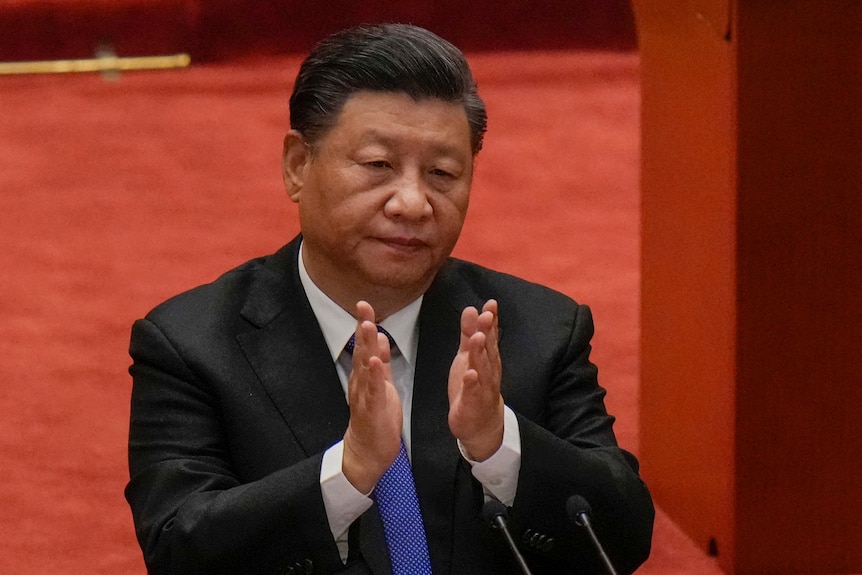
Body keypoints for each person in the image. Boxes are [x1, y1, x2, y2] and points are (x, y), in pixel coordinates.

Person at [125, 23, 654, 575]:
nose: (412, 202)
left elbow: (624, 537)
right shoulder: (191, 344)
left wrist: (501, 446)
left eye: (442, 173)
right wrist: (348, 472)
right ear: (297, 166)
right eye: (378, 165)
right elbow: (177, 550)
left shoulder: (539, 329)